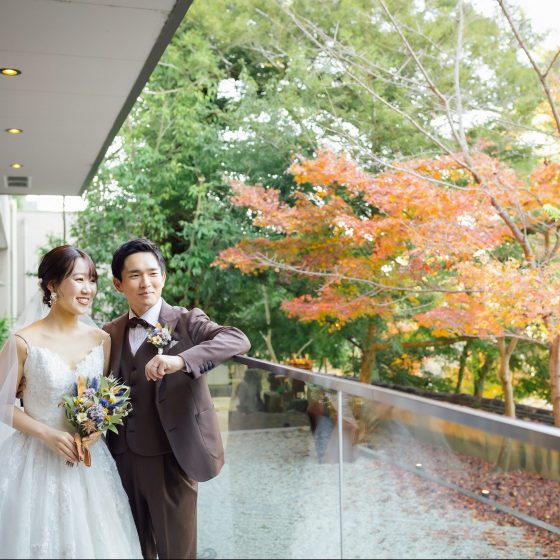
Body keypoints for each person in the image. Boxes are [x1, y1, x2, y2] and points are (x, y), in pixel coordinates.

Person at [103, 238, 251, 560]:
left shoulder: (187, 321)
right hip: (120, 460)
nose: (146, 283)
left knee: (177, 553)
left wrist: (180, 360)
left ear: (164, 277)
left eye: (153, 273)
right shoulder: (110, 332)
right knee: (130, 550)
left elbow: (236, 339)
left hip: (173, 457)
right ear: (118, 284)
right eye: (135, 275)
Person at [0, 245, 142, 559]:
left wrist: (96, 429)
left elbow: (101, 399)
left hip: (88, 463)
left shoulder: (101, 340)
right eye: (79, 279)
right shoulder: (22, 342)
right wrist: (46, 434)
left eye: (92, 280)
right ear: (53, 285)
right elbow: (2, 404)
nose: (88, 289)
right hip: (35, 460)